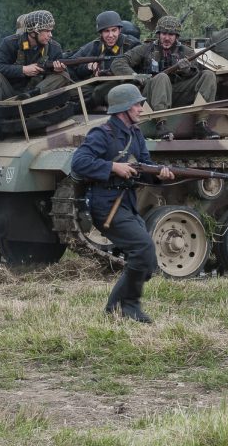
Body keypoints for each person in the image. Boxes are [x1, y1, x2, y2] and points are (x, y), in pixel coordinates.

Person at [70, 83, 173, 323]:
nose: (141, 108)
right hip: (105, 204)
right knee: (143, 249)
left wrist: (159, 173)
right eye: (137, 104)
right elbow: (79, 162)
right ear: (124, 108)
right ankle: (130, 306)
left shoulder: (135, 134)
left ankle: (114, 307)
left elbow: (145, 166)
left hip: (126, 203)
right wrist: (112, 167)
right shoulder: (102, 134)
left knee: (148, 262)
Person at [110, 15, 219, 140]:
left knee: (208, 75)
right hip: (151, 96)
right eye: (164, 34)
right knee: (162, 77)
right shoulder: (145, 49)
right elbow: (118, 63)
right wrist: (136, 76)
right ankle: (161, 124)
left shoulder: (187, 52)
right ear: (158, 34)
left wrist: (187, 70)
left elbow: (195, 72)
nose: (167, 38)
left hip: (178, 94)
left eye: (171, 34)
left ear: (177, 36)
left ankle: (201, 123)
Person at [69, 10, 141, 107]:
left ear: (120, 30)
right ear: (101, 33)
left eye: (114, 30)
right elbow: (74, 64)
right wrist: (89, 67)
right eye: (106, 31)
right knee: (70, 91)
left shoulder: (132, 44)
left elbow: (141, 69)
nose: (110, 35)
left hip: (125, 86)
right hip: (97, 85)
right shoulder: (95, 45)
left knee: (105, 94)